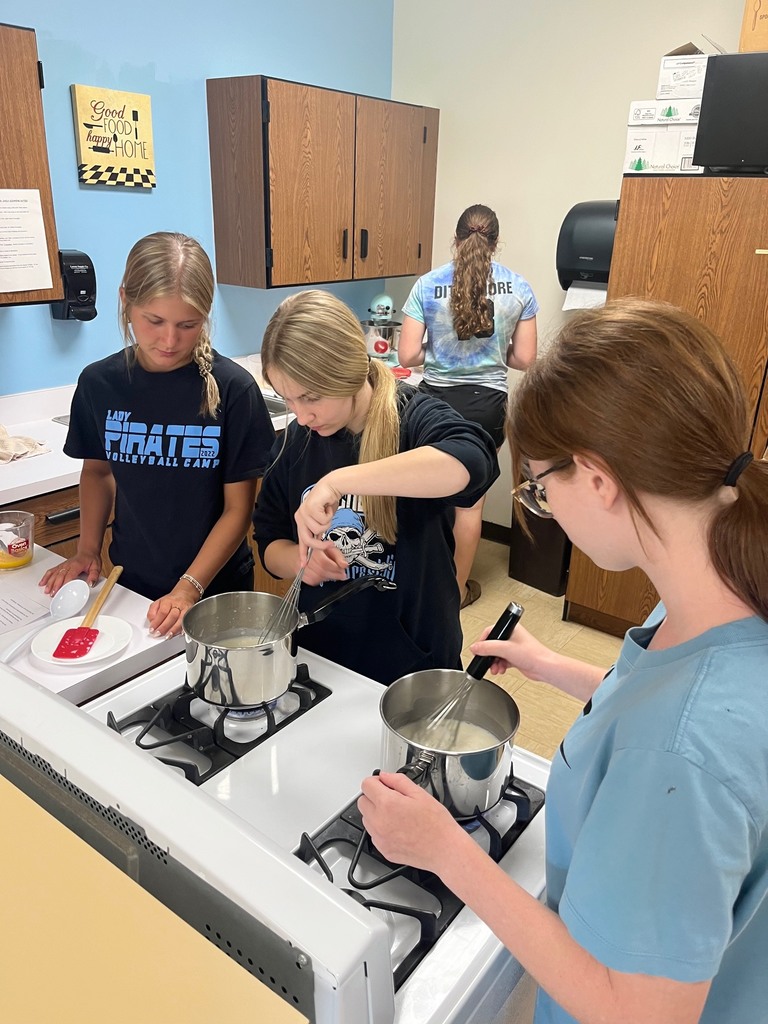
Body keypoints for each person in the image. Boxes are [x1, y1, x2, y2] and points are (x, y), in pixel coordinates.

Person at [359, 299, 768, 1024]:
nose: (541, 503)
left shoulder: (680, 752)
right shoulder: (717, 595)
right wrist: (560, 669)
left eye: (541, 487)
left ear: (599, 478)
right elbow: (670, 697)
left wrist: (448, 851)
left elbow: (633, 1011)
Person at [252, 289, 499, 686]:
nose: (300, 414)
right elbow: (269, 544)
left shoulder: (413, 417)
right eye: (288, 399)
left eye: (311, 397)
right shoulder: (292, 445)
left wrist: (338, 481)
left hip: (411, 659)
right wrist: (302, 562)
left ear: (349, 372)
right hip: (322, 652)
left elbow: (472, 462)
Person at [40, 232, 275, 638]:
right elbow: (97, 472)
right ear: (125, 300)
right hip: (128, 581)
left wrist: (189, 587)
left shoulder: (234, 390)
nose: (170, 341)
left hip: (214, 589)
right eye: (154, 321)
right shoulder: (99, 384)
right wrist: (86, 550)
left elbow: (238, 509)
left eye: (188, 324)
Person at [398, 203, 538, 609]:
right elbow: (526, 359)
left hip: (432, 405)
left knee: (424, 494)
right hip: (487, 406)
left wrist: (441, 350)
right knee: (468, 503)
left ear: (456, 240)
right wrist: (494, 355)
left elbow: (406, 356)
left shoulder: (427, 285)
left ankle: (418, 581)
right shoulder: (519, 288)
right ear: (495, 243)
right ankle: (455, 591)